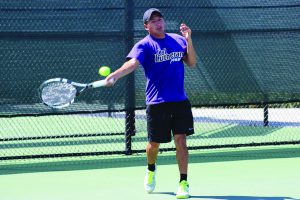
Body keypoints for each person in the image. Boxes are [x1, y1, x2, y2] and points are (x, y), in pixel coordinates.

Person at [105, 8, 196, 199]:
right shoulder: (144, 45)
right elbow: (132, 64)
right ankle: (151, 169)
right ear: (146, 26)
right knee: (154, 145)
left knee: (181, 140)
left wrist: (188, 39)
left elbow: (192, 62)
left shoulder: (178, 40)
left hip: (180, 101)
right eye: (153, 21)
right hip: (157, 103)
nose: (158, 23)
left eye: (160, 19)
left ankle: (183, 182)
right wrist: (115, 75)